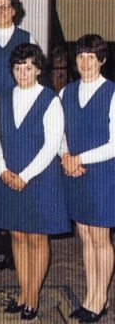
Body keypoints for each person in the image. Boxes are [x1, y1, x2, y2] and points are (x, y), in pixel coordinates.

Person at [0, 43, 70, 320]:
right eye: (17, 67)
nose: (22, 73)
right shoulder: (2, 98)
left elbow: (52, 145)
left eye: (28, 67)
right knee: (17, 235)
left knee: (37, 238)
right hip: (9, 176)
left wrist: (25, 176)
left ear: (38, 69)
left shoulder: (50, 99)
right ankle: (23, 291)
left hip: (39, 179)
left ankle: (33, 296)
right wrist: (2, 170)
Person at [61, 34, 115, 323]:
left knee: (100, 236)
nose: (85, 62)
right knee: (84, 235)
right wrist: (66, 156)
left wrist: (78, 159)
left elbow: (114, 144)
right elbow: (60, 133)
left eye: (91, 57)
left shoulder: (112, 92)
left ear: (102, 60)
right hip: (74, 172)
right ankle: (90, 296)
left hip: (103, 173)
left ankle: (101, 297)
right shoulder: (66, 92)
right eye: (81, 56)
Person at [0, 0, 36, 99]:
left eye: (5, 7)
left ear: (13, 11)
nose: (0, 11)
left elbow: (34, 73)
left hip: (20, 98)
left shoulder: (26, 38)